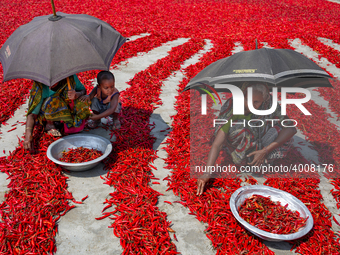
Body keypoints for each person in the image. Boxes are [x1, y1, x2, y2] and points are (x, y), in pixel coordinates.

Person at [196, 82, 297, 195]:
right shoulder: (232, 107)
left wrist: (265, 150)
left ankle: (261, 157)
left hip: (262, 143)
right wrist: (207, 173)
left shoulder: (269, 103)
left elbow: (291, 128)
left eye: (256, 102)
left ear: (263, 99)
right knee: (241, 128)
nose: (251, 105)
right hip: (241, 146)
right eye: (248, 99)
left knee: (282, 132)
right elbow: (217, 144)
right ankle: (245, 160)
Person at [24, 75, 91, 152]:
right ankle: (50, 124)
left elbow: (83, 90)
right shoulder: (39, 86)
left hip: (66, 108)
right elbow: (32, 114)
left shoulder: (70, 77)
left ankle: (67, 123)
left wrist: (77, 94)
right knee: (53, 101)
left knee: (82, 102)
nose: (50, 84)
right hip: (48, 112)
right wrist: (28, 135)